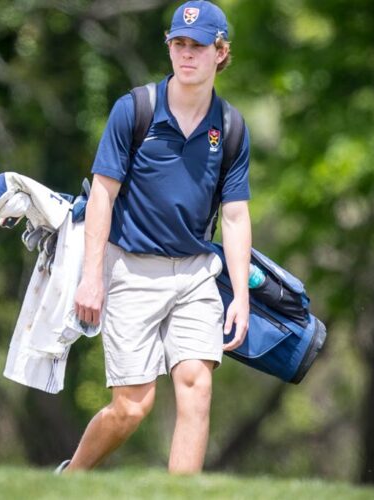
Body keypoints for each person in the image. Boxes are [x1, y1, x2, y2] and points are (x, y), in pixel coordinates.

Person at [69, 0, 251, 474]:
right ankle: (71, 478)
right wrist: (93, 277)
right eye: (178, 44)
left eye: (197, 45)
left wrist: (241, 296)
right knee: (132, 407)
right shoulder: (135, 110)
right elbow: (102, 198)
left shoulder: (229, 127)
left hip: (195, 274)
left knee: (196, 385)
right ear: (169, 48)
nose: (186, 54)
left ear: (220, 52)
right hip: (131, 269)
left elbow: (233, 217)